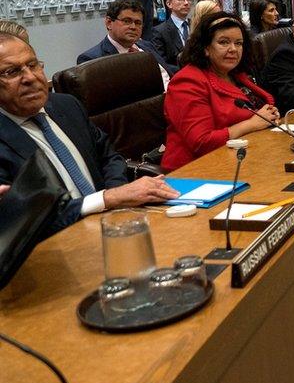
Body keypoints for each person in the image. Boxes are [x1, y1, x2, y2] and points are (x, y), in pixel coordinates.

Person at [0, 33, 179, 237]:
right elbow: (25, 219)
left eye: (33, 65)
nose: (30, 78)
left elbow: (108, 155)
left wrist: (118, 200)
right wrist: (107, 199)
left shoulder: (66, 105)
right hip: (58, 243)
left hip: (113, 224)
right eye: (12, 72)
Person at [161, 12, 278, 172]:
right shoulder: (187, 82)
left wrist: (268, 115)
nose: (233, 49)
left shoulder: (235, 75)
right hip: (195, 171)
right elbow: (201, 142)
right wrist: (252, 124)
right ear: (206, 48)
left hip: (239, 159)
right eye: (224, 42)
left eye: (238, 43)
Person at [77, 0, 175, 88]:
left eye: (138, 23)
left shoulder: (147, 46)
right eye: (127, 21)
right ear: (109, 23)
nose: (133, 27)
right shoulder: (92, 59)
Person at [151, 0, 192, 67]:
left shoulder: (197, 25)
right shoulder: (160, 31)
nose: (186, 3)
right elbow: (162, 63)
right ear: (169, 4)